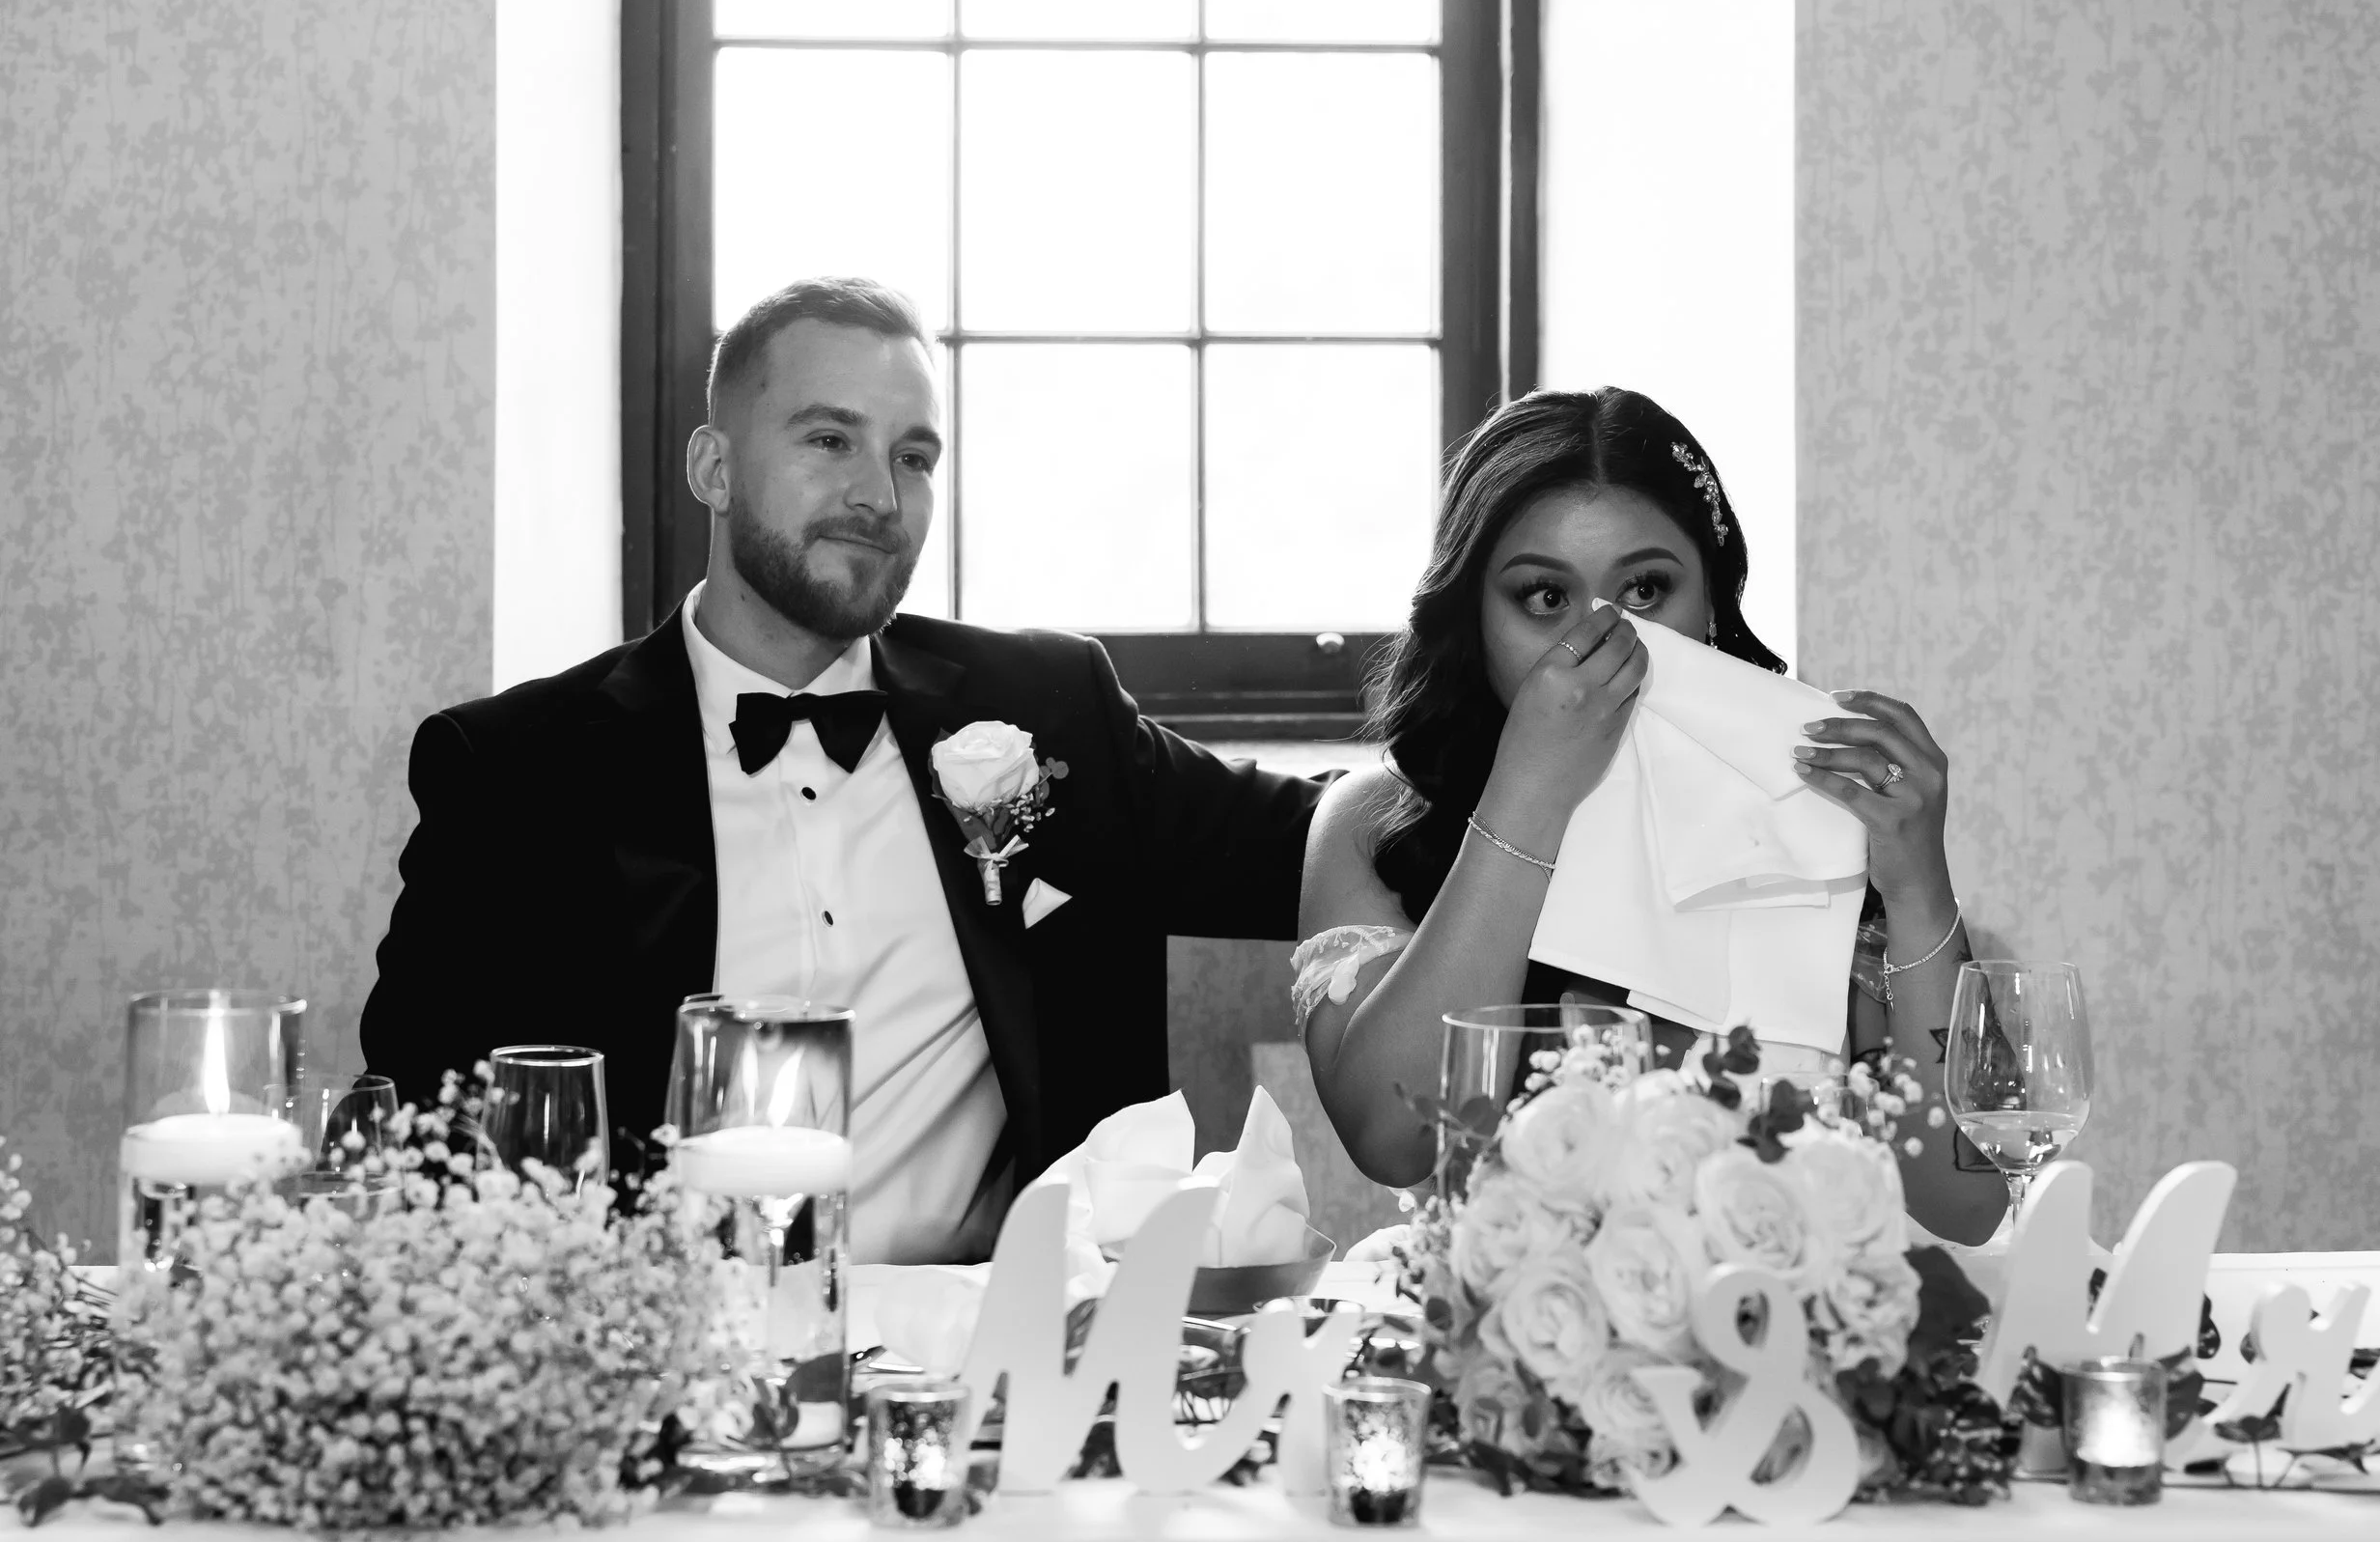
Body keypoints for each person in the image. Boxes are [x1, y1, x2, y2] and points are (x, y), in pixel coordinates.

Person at [360, 277, 1322, 1264]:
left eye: (914, 456)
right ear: (713, 468)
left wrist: (1488, 745)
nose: (879, 495)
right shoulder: (515, 770)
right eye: (829, 440)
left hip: (999, 1368)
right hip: (668, 1369)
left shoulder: (1043, 706)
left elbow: (1312, 839)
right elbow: (425, 1125)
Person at [1292, 387, 2006, 1244]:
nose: (1602, 638)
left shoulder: (1808, 803)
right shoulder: (1377, 818)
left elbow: (1966, 1202)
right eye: (1544, 598)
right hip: (1510, 1335)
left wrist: (1920, 882)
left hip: (1783, 1328)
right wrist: (1530, 792)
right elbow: (1392, 1139)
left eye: (1645, 587)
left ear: (1710, 604)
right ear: (1473, 615)